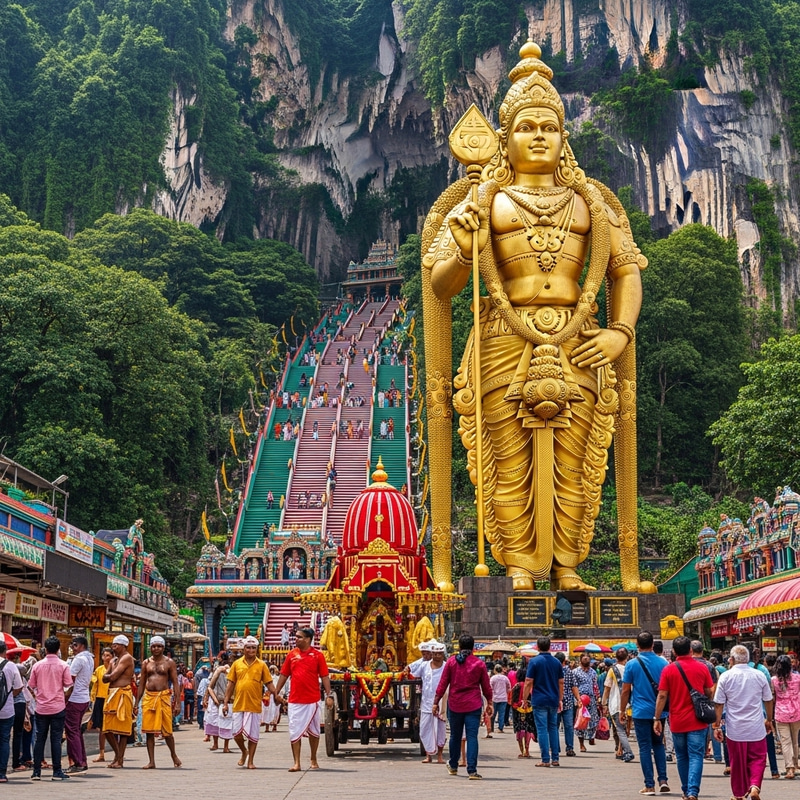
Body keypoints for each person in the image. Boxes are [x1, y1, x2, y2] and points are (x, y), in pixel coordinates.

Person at [423, 40, 650, 593]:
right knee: (506, 460)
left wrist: (620, 332)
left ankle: (568, 564)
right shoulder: (482, 200)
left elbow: (626, 271)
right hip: (504, 338)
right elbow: (442, 286)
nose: (540, 136)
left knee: (577, 461)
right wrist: (463, 243)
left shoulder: (592, 201)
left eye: (550, 126)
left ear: (564, 137)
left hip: (580, 340)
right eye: (527, 127)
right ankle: (520, 566)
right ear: (506, 138)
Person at [654, 636, 714, 800]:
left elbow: (662, 695)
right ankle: (693, 791)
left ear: (673, 651)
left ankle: (686, 789)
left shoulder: (669, 669)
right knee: (696, 755)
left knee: (681, 756)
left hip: (678, 720)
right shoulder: (702, 668)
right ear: (690, 650)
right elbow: (710, 691)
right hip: (697, 720)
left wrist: (657, 718)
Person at [713, 644, 773, 800]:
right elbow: (768, 699)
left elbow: (719, 704)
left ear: (731, 659)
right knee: (758, 758)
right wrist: (769, 720)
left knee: (737, 762)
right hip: (756, 727)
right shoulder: (759, 675)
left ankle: (739, 794)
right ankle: (754, 786)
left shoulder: (726, 676)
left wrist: (716, 725)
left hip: (735, 728)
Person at [433, 633, 493, 780]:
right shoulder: (479, 664)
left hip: (455, 704)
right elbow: (486, 686)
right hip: (473, 705)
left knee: (455, 735)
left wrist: (436, 701)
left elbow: (443, 684)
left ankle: (453, 766)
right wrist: (490, 702)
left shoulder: (452, 662)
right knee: (472, 737)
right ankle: (472, 770)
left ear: (459, 646)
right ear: (473, 648)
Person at [274, 627, 333, 772]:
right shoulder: (291, 655)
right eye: (296, 636)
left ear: (307, 639)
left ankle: (313, 758)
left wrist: (329, 695)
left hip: (312, 700)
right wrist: (276, 692)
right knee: (294, 731)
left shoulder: (318, 656)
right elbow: (284, 674)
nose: (296, 639)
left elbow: (324, 676)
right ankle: (297, 762)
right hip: (295, 700)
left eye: (299, 637)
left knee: (314, 732)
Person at [620, 630, 670, 795]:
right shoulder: (663, 663)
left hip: (640, 711)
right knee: (659, 744)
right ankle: (663, 780)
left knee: (644, 747)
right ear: (653, 645)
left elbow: (626, 691)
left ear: (637, 645)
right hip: (659, 711)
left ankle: (649, 785)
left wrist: (622, 709)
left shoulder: (632, 664)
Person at [222, 635, 281, 769]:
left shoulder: (262, 665)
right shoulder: (236, 664)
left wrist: (276, 695)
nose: (251, 650)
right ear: (243, 649)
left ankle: (251, 761)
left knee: (253, 735)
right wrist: (225, 703)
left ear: (257, 649)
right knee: (236, 733)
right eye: (248, 648)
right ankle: (244, 751)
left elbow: (269, 683)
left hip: (254, 705)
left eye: (253, 648)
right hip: (238, 704)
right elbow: (230, 684)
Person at [27, 635, 73, 781]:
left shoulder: (37, 665)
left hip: (41, 707)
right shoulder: (63, 665)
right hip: (58, 707)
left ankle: (36, 772)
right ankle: (57, 771)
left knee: (39, 739)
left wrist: (37, 696)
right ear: (58, 649)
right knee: (56, 739)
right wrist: (63, 699)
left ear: (45, 649)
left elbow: (30, 686)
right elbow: (68, 686)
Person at [135, 636, 182, 769]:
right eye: (154, 646)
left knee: (167, 731)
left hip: (163, 697)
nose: (156, 648)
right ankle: (151, 761)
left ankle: (173, 755)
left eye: (159, 646)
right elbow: (142, 683)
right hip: (149, 697)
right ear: (150, 647)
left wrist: (177, 702)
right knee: (149, 731)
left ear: (163, 647)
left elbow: (175, 683)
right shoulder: (146, 663)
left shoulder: (169, 663)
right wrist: (136, 702)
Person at [523, 636, 564, 767]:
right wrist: (560, 699)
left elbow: (528, 682)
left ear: (538, 647)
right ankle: (555, 758)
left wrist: (524, 699)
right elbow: (561, 682)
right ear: (550, 646)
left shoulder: (534, 662)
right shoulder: (557, 662)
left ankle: (545, 759)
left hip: (539, 699)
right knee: (553, 728)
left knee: (542, 729)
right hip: (553, 698)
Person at [101, 634, 136, 769]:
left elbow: (112, 676)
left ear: (123, 646)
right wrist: (109, 675)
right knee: (107, 728)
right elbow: (105, 678)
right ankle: (117, 755)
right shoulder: (114, 660)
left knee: (122, 729)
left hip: (122, 693)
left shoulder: (127, 658)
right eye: (113, 644)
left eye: (116, 645)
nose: (113, 647)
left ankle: (119, 759)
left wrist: (109, 676)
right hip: (112, 694)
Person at [412, 642, 448, 764]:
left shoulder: (446, 666)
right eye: (435, 654)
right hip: (426, 702)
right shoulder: (424, 666)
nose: (437, 656)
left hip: (441, 703)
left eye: (439, 654)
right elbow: (413, 673)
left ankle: (440, 756)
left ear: (443, 654)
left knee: (441, 730)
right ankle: (428, 755)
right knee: (425, 729)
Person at [64, 635, 94, 774]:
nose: (72, 648)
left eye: (75, 645)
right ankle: (81, 761)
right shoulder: (89, 658)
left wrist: (64, 698)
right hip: (83, 698)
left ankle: (78, 762)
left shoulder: (79, 659)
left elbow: (70, 681)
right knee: (76, 731)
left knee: (72, 731)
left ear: (81, 646)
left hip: (75, 698)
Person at [602, 646, 634, 762]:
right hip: (630, 704)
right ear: (627, 657)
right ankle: (621, 750)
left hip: (616, 704)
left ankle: (628, 751)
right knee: (625, 728)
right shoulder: (631, 667)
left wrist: (604, 704)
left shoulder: (612, 670)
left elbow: (607, 688)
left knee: (620, 729)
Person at [771, 653, 800, 778]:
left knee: (785, 741)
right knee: (795, 740)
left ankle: (789, 769)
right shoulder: (798, 678)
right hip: (796, 712)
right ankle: (795, 764)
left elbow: (772, 698)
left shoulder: (774, 680)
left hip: (781, 713)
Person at [0, 640, 24, 784]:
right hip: (6, 710)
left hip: (7, 708)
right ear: (5, 651)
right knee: (4, 740)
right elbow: (19, 687)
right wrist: (8, 696)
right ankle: (1, 773)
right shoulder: (11, 666)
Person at [204, 652, 232, 752]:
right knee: (221, 722)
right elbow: (210, 687)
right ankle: (223, 746)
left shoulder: (224, 671)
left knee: (223, 722)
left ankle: (221, 745)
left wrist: (208, 698)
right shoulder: (220, 670)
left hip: (220, 700)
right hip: (221, 700)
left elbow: (209, 687)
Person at [572, 653, 601, 750]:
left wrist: (598, 698)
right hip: (580, 699)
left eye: (587, 659)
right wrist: (576, 699)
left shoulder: (593, 672)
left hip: (591, 699)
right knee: (581, 720)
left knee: (593, 719)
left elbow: (595, 685)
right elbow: (573, 687)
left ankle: (591, 737)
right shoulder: (575, 672)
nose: (586, 660)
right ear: (580, 660)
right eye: (584, 659)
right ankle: (581, 744)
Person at [89, 647, 113, 762]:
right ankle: (101, 753)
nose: (105, 658)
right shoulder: (99, 670)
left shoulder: (116, 669)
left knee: (114, 728)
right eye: (104, 655)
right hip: (100, 699)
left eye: (108, 655)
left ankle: (117, 752)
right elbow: (95, 685)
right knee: (101, 729)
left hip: (112, 699)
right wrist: (92, 699)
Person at [555, 650, 580, 757]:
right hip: (568, 702)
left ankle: (556, 747)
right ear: (564, 661)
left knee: (554, 726)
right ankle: (570, 748)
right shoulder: (569, 671)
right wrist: (578, 699)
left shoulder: (553, 671)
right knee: (569, 726)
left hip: (556, 702)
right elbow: (574, 687)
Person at [489, 664, 511, 735]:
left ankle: (491, 728)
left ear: (495, 670)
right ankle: (500, 728)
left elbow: (490, 688)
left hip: (494, 698)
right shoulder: (505, 678)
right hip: (503, 698)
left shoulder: (493, 678)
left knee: (493, 713)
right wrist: (506, 692)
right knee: (502, 714)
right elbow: (509, 687)